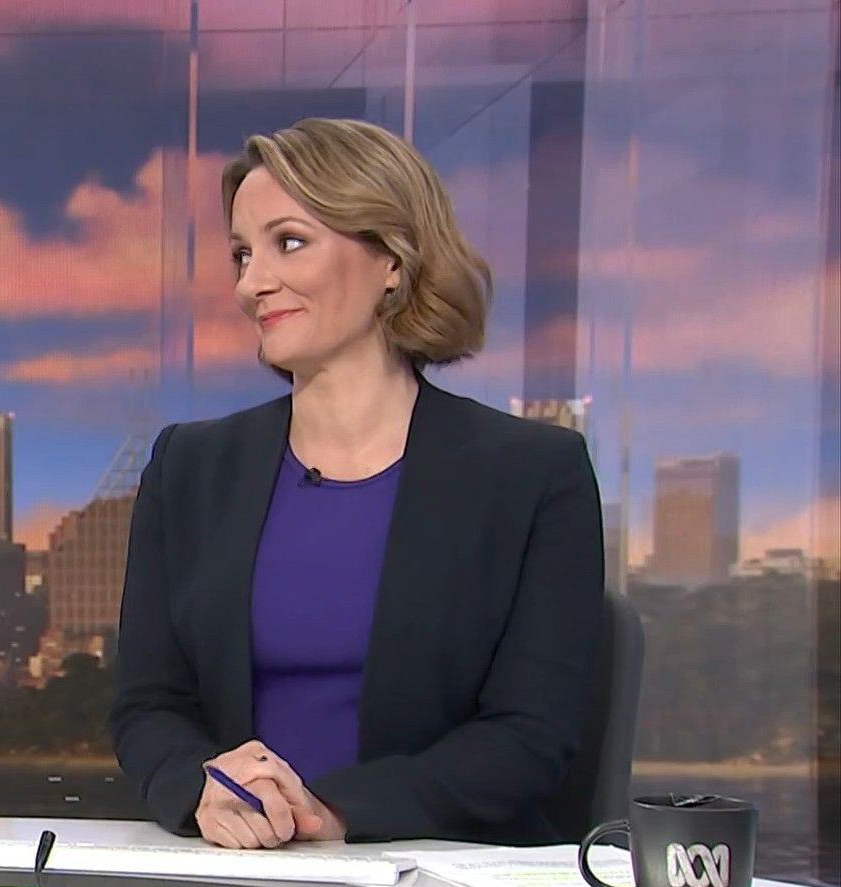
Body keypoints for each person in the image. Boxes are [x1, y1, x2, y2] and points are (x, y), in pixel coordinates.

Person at [108, 118, 602, 848]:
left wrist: (332, 813)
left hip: (432, 880)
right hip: (237, 874)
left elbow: (529, 734)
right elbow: (148, 706)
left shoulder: (533, 474)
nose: (251, 284)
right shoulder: (189, 467)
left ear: (392, 260)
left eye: (289, 243)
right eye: (242, 254)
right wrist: (204, 785)